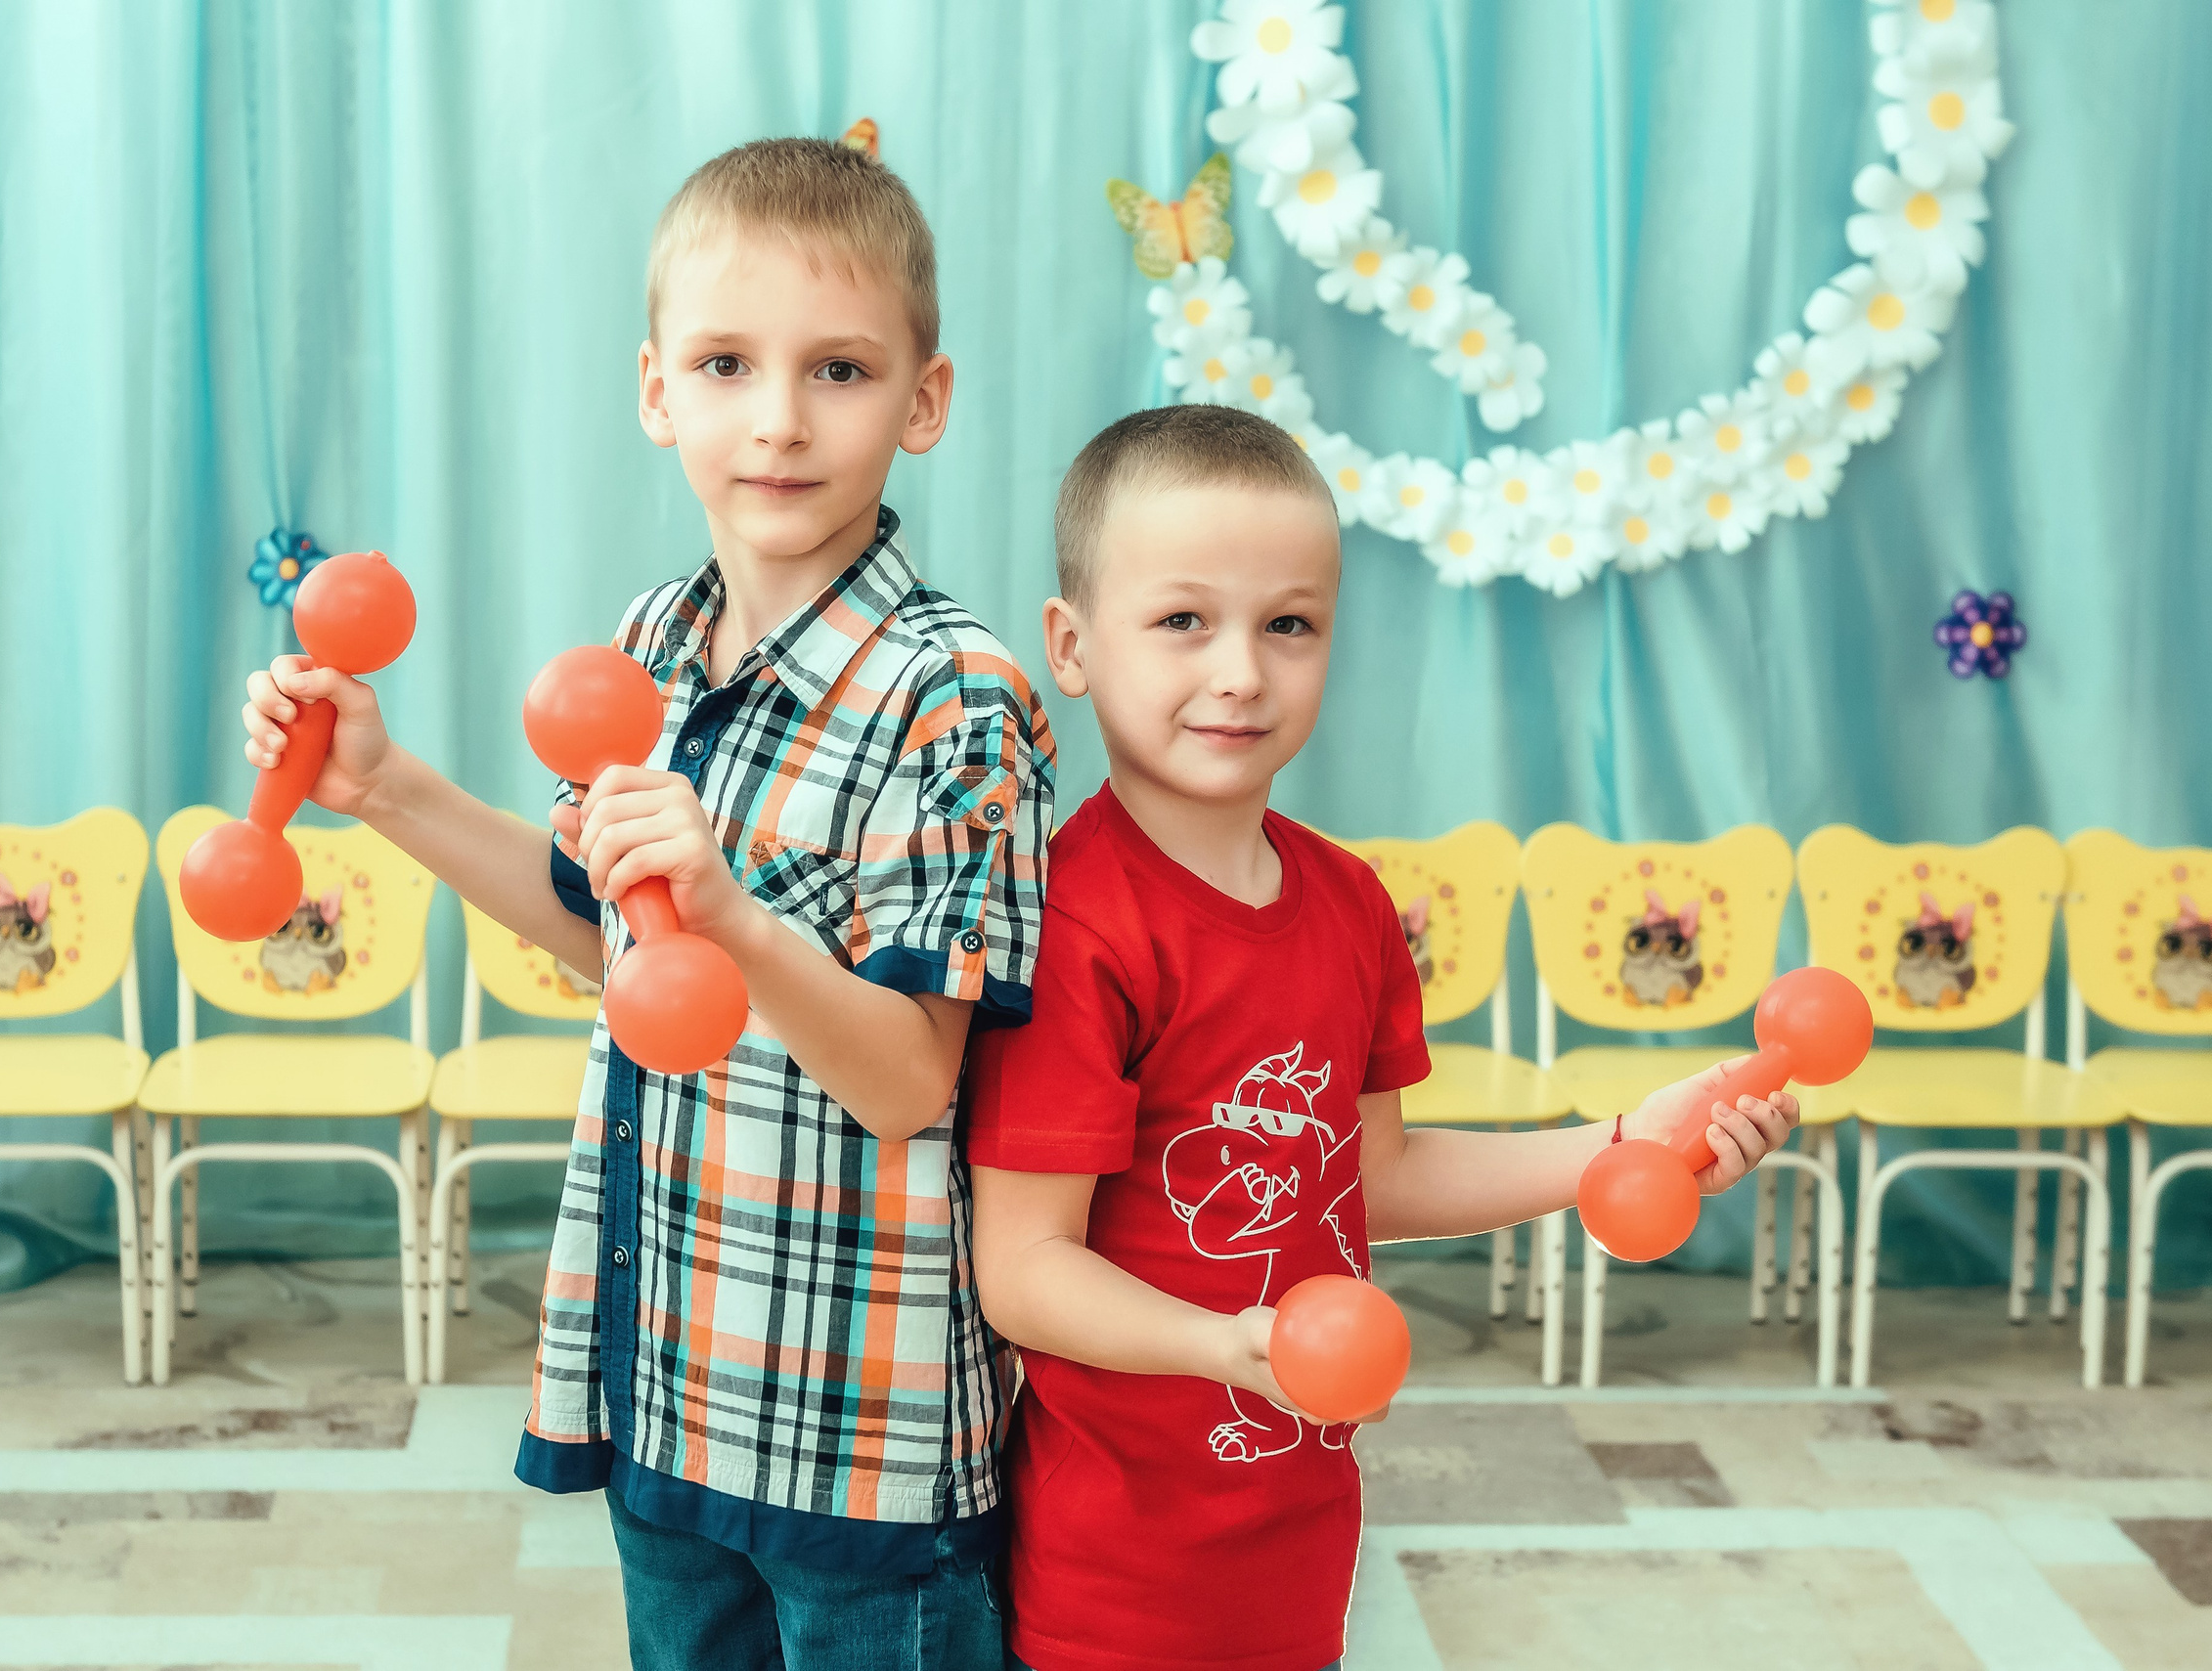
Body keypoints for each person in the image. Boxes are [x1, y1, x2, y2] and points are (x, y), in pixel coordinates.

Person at [239, 137, 1050, 1671]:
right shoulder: (651, 647)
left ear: (924, 402)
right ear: (656, 390)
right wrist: (387, 786)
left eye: (841, 370)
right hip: (672, 1379)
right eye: (729, 364)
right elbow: (595, 929)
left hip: (855, 1430)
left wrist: (740, 919)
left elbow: (909, 1078)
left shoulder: (959, 695)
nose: (779, 420)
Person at [964, 404, 1799, 1671]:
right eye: (1185, 619)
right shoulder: (1078, 922)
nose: (1241, 669)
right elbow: (1022, 1264)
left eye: (1287, 623)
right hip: (1114, 1572)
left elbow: (1377, 1174)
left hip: (1297, 1534)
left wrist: (1629, 1141)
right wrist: (1226, 1347)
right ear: (1073, 646)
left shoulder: (1351, 904)